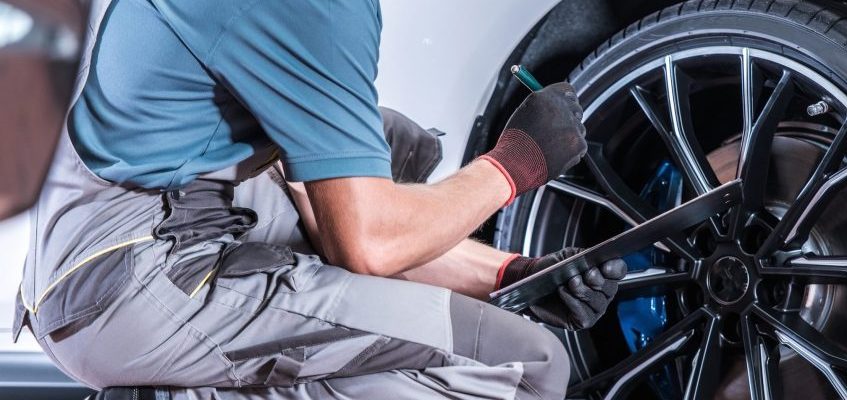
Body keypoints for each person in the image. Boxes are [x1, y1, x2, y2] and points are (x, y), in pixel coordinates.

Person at [14, 1, 626, 399]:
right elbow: (369, 243)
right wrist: (513, 166)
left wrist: (510, 275)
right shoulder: (310, 8)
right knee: (525, 367)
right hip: (124, 284)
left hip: (105, 232)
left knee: (391, 147)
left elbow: (331, 216)